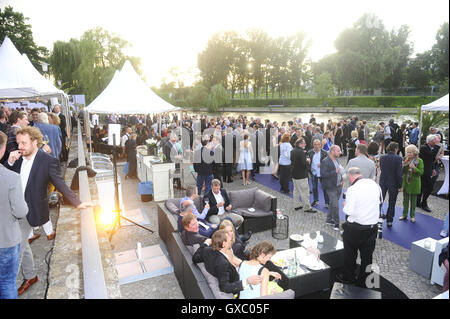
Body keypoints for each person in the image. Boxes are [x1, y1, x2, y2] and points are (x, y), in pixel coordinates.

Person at [6, 127, 92, 296]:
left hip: (28, 212)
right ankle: (30, 276)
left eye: (24, 143)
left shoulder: (47, 161)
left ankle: (7, 288)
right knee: (22, 246)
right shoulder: (16, 158)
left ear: (35, 142)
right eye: (18, 143)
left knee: (16, 250)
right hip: (12, 209)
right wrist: (9, 162)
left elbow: (60, 183)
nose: (20, 146)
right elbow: (5, 178)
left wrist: (77, 202)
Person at [337, 167, 382, 287]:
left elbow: (348, 211)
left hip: (355, 228)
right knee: (367, 256)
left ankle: (349, 277)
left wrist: (345, 204)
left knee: (350, 253)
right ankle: (365, 280)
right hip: (372, 226)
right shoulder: (375, 185)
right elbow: (379, 202)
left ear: (351, 177)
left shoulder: (352, 189)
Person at [0, 131, 29, 299]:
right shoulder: (11, 178)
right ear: (3, 150)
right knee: (7, 283)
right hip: (5, 241)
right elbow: (20, 211)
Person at [202, 229, 263, 295]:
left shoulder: (207, 250)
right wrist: (247, 281)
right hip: (240, 286)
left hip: (239, 276)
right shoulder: (222, 263)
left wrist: (206, 243)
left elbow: (195, 258)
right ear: (224, 244)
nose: (232, 242)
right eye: (230, 240)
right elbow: (224, 287)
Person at [378, 142, 403, 227]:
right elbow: (399, 174)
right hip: (393, 182)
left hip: (383, 180)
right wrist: (400, 185)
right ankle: (389, 220)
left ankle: (376, 217)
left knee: (380, 200)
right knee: (392, 202)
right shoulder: (398, 158)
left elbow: (381, 168)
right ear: (396, 149)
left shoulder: (382, 157)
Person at [320, 145, 344, 230]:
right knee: (335, 205)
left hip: (338, 186)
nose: (340, 152)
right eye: (338, 151)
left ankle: (329, 220)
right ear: (332, 151)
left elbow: (339, 171)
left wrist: (342, 180)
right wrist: (335, 171)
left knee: (332, 203)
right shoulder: (325, 161)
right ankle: (337, 223)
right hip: (330, 187)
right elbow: (323, 174)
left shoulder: (336, 159)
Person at [400, 145, 424, 223]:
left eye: (410, 152)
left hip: (414, 183)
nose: (408, 154)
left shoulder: (419, 161)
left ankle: (412, 216)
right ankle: (404, 215)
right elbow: (402, 173)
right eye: (407, 152)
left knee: (413, 201)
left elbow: (421, 173)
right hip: (406, 182)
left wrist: (414, 168)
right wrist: (402, 167)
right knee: (405, 200)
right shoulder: (405, 160)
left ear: (415, 153)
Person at [291, 138, 316, 213]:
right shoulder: (301, 152)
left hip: (294, 174)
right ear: (300, 144)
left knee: (296, 190)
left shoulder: (292, 151)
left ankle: (296, 205)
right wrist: (308, 161)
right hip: (301, 175)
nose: (305, 144)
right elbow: (303, 163)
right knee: (305, 191)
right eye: (304, 143)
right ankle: (307, 207)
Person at [417, 134, 440, 212]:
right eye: (434, 141)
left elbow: (432, 160)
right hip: (423, 171)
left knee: (427, 187)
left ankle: (421, 202)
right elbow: (431, 155)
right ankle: (422, 203)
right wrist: (437, 146)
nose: (436, 142)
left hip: (428, 170)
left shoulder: (431, 148)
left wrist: (433, 169)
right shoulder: (424, 148)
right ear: (430, 141)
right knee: (427, 187)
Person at [308, 138, 329, 207]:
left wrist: (322, 164)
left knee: (324, 188)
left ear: (320, 145)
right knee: (314, 188)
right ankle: (316, 200)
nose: (317, 146)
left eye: (318, 144)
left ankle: (327, 202)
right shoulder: (310, 152)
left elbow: (328, 163)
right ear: (313, 145)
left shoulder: (324, 152)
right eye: (315, 144)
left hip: (322, 173)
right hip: (314, 173)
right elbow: (307, 161)